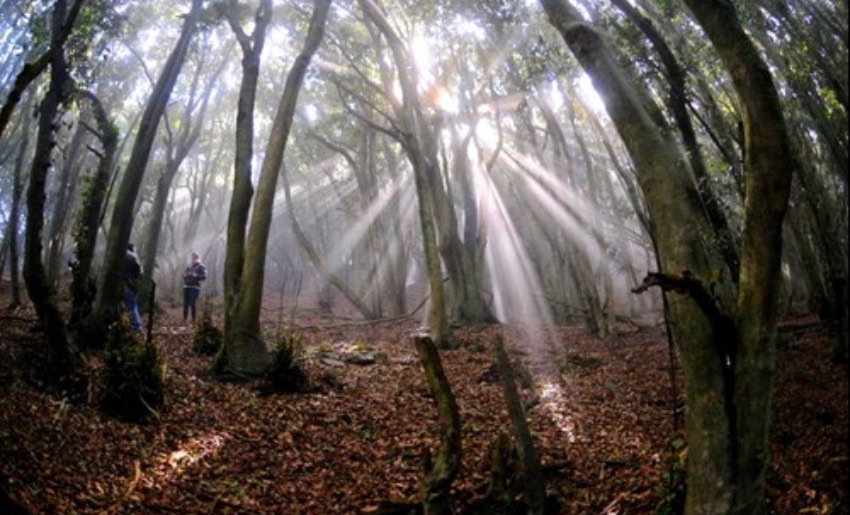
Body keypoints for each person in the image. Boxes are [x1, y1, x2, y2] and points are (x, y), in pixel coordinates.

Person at [124, 243, 143, 332]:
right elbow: (140, 273)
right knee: (132, 305)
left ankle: (137, 326)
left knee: (131, 305)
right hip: (132, 285)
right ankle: (135, 325)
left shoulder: (125, 255)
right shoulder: (135, 258)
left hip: (126, 283)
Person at [182, 251, 206, 323]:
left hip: (195, 287)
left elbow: (204, 277)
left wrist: (195, 275)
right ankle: (184, 318)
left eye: (194, 257)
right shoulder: (189, 266)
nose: (193, 258)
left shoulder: (201, 266)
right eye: (192, 257)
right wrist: (184, 275)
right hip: (187, 286)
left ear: (197, 257)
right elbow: (184, 274)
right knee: (185, 303)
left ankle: (193, 319)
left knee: (192, 302)